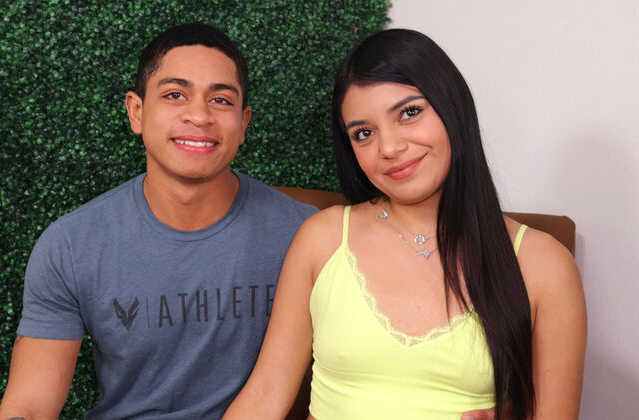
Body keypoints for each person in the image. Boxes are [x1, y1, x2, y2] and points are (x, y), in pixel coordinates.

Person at [224, 29, 586, 419]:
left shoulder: (543, 265)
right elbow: (266, 393)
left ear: (452, 106)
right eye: (364, 133)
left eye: (409, 113)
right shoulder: (322, 238)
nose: (390, 148)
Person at [0, 23, 317, 419]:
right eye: (175, 95)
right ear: (137, 112)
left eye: (220, 100)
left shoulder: (307, 235)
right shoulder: (71, 246)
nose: (198, 115)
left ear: (243, 123)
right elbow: (28, 405)